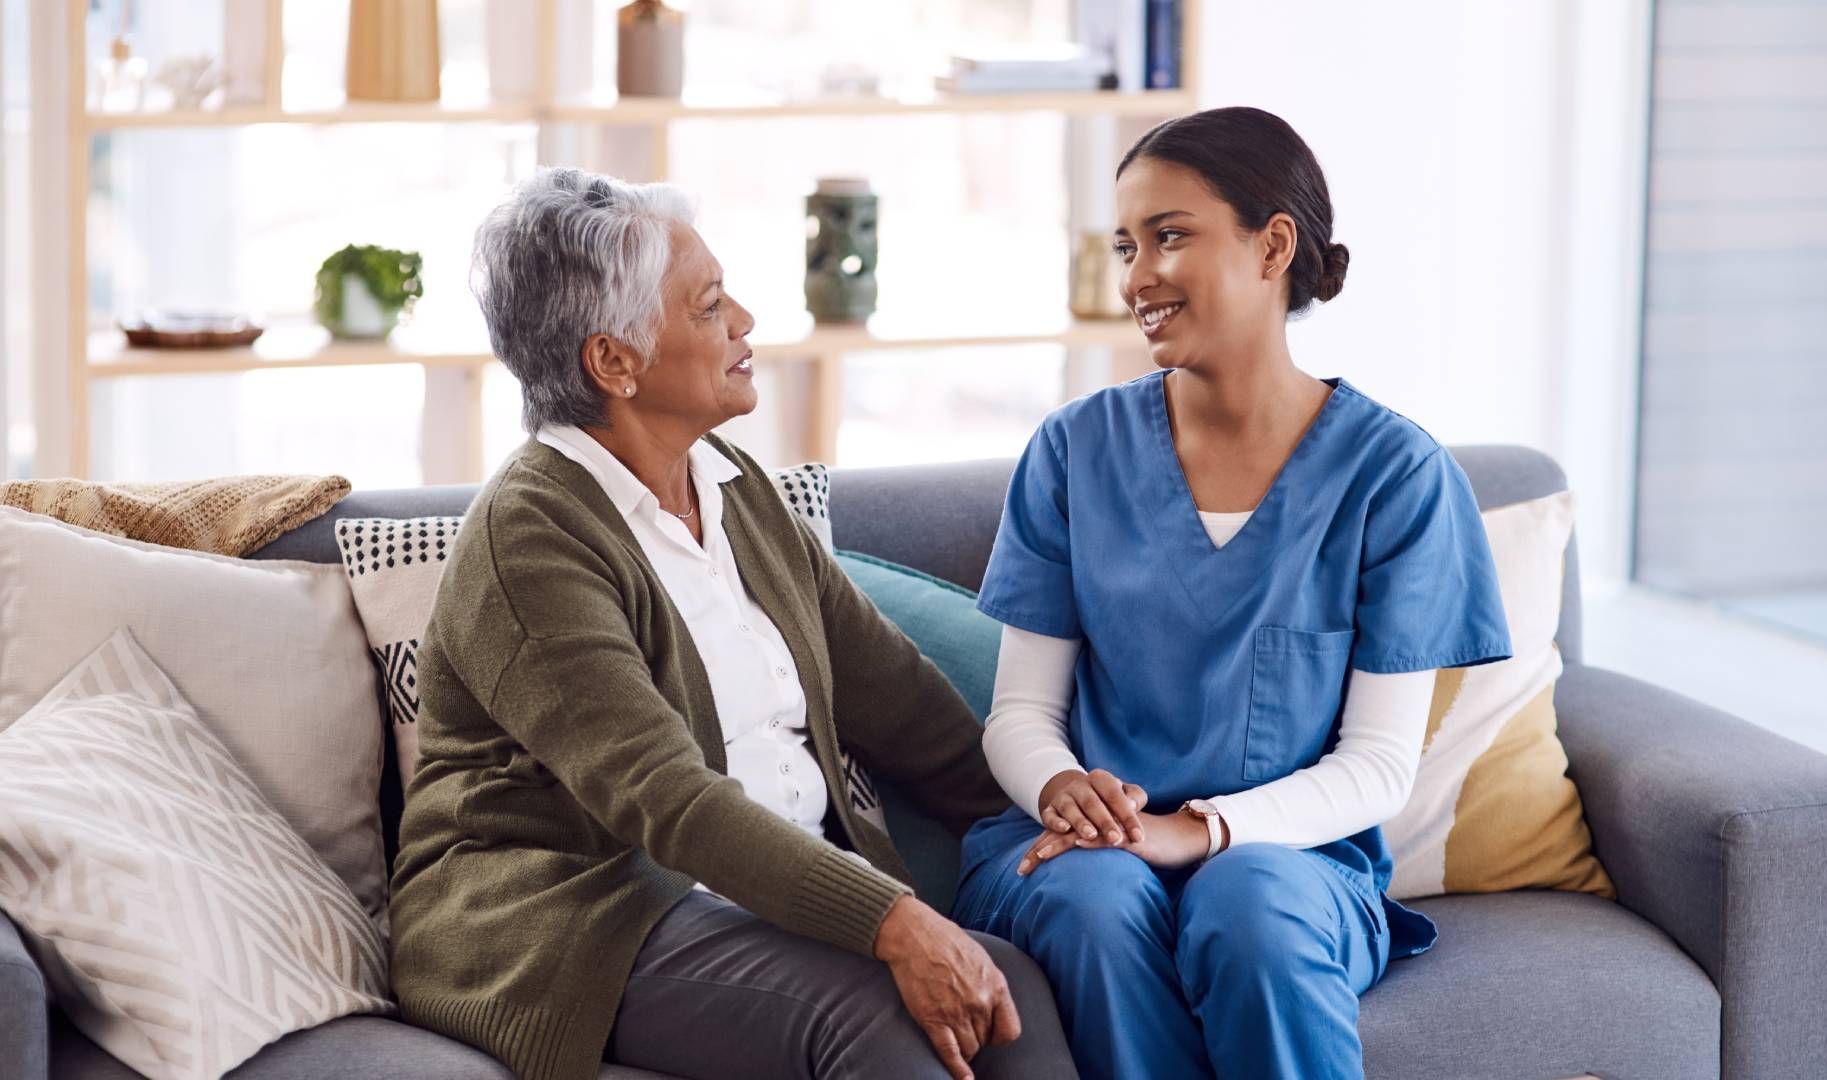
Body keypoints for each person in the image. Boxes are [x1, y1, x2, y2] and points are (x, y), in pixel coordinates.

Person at [388, 167, 1073, 1080]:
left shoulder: (734, 488)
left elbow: (903, 706)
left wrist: (1055, 809)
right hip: (575, 916)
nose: (745, 321)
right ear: (614, 362)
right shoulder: (532, 536)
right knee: (879, 1019)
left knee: (1013, 989)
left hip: (736, 905)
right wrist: (891, 922)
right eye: (709, 308)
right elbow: (667, 798)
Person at [950, 107, 1513, 1080]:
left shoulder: (1395, 475)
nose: (1136, 278)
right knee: (1095, 900)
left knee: (1249, 903)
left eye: (1170, 236)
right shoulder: (1073, 452)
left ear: (1273, 245)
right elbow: (1021, 713)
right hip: (1089, 854)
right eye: (1127, 245)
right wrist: (1060, 786)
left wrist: (1201, 830)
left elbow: (1378, 764)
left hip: (1290, 861)